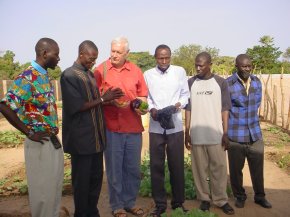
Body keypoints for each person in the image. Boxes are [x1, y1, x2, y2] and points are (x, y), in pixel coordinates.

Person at [0, 38, 64, 217]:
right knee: (43, 194)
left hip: (51, 141)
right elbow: (5, 105)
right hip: (39, 144)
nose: (58, 58)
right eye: (56, 54)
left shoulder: (44, 76)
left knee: (53, 189)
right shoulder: (27, 77)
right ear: (45, 54)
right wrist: (29, 132)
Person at [60, 40, 124, 217]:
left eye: (95, 59)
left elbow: (93, 104)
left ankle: (92, 212)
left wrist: (108, 99)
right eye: (90, 59)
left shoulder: (89, 75)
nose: (93, 62)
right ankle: (81, 214)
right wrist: (103, 99)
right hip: (81, 141)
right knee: (82, 183)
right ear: (81, 54)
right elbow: (77, 106)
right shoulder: (69, 75)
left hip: (96, 139)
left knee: (96, 180)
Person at [94, 37, 148, 217]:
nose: (114, 55)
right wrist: (111, 102)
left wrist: (141, 108)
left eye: (118, 52)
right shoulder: (100, 70)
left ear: (127, 53)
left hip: (133, 128)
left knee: (132, 169)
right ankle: (117, 206)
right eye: (112, 51)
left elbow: (143, 97)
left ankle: (130, 203)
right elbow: (94, 100)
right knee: (114, 170)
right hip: (111, 129)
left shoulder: (136, 70)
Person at [185, 52, 235, 215]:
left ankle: (221, 200)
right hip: (197, 135)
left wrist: (226, 132)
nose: (198, 68)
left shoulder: (220, 82)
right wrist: (187, 131)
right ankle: (204, 199)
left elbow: (225, 109)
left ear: (209, 64)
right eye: (196, 65)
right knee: (199, 170)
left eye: (201, 65)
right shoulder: (191, 82)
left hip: (216, 134)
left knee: (219, 169)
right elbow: (188, 108)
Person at [143, 44, 189, 217]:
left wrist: (179, 105)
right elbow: (146, 97)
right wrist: (152, 109)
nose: (163, 61)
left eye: (167, 57)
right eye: (160, 58)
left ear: (170, 56)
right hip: (156, 127)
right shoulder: (148, 74)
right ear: (155, 57)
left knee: (176, 165)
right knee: (156, 166)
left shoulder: (180, 72)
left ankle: (178, 203)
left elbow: (185, 94)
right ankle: (160, 204)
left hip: (175, 125)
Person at [226, 54, 272, 209]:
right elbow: (224, 109)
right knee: (235, 170)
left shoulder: (257, 82)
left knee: (257, 169)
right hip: (235, 135)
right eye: (243, 66)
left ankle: (260, 196)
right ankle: (239, 196)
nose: (246, 69)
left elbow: (256, 104)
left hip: (255, 133)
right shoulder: (228, 84)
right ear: (236, 66)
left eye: (249, 66)